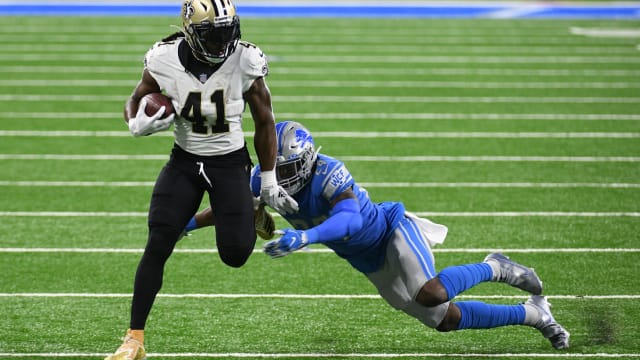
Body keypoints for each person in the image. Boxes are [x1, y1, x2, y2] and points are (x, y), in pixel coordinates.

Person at [184, 121, 571, 350]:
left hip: (391, 232)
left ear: (305, 161)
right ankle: (533, 315)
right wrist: (183, 226)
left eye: (286, 169)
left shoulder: (328, 172)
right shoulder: (264, 179)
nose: (279, 177)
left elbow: (350, 221)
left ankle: (495, 267)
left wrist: (305, 238)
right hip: (367, 261)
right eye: (276, 169)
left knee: (431, 292)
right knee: (444, 320)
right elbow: (228, 209)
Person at [104, 0, 297, 359]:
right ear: (191, 33)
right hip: (185, 161)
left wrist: (268, 179)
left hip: (229, 162)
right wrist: (135, 122)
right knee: (159, 240)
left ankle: (247, 207)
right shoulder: (163, 58)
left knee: (236, 255)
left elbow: (265, 120)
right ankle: (134, 338)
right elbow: (135, 98)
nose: (223, 41)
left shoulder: (246, 59)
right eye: (213, 34)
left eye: (227, 32)